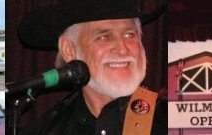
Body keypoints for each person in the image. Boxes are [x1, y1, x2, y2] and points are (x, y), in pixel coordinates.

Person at [15, 0, 167, 134]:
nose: (122, 49)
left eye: (129, 35)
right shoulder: (47, 129)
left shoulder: (171, 120)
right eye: (104, 37)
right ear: (69, 49)